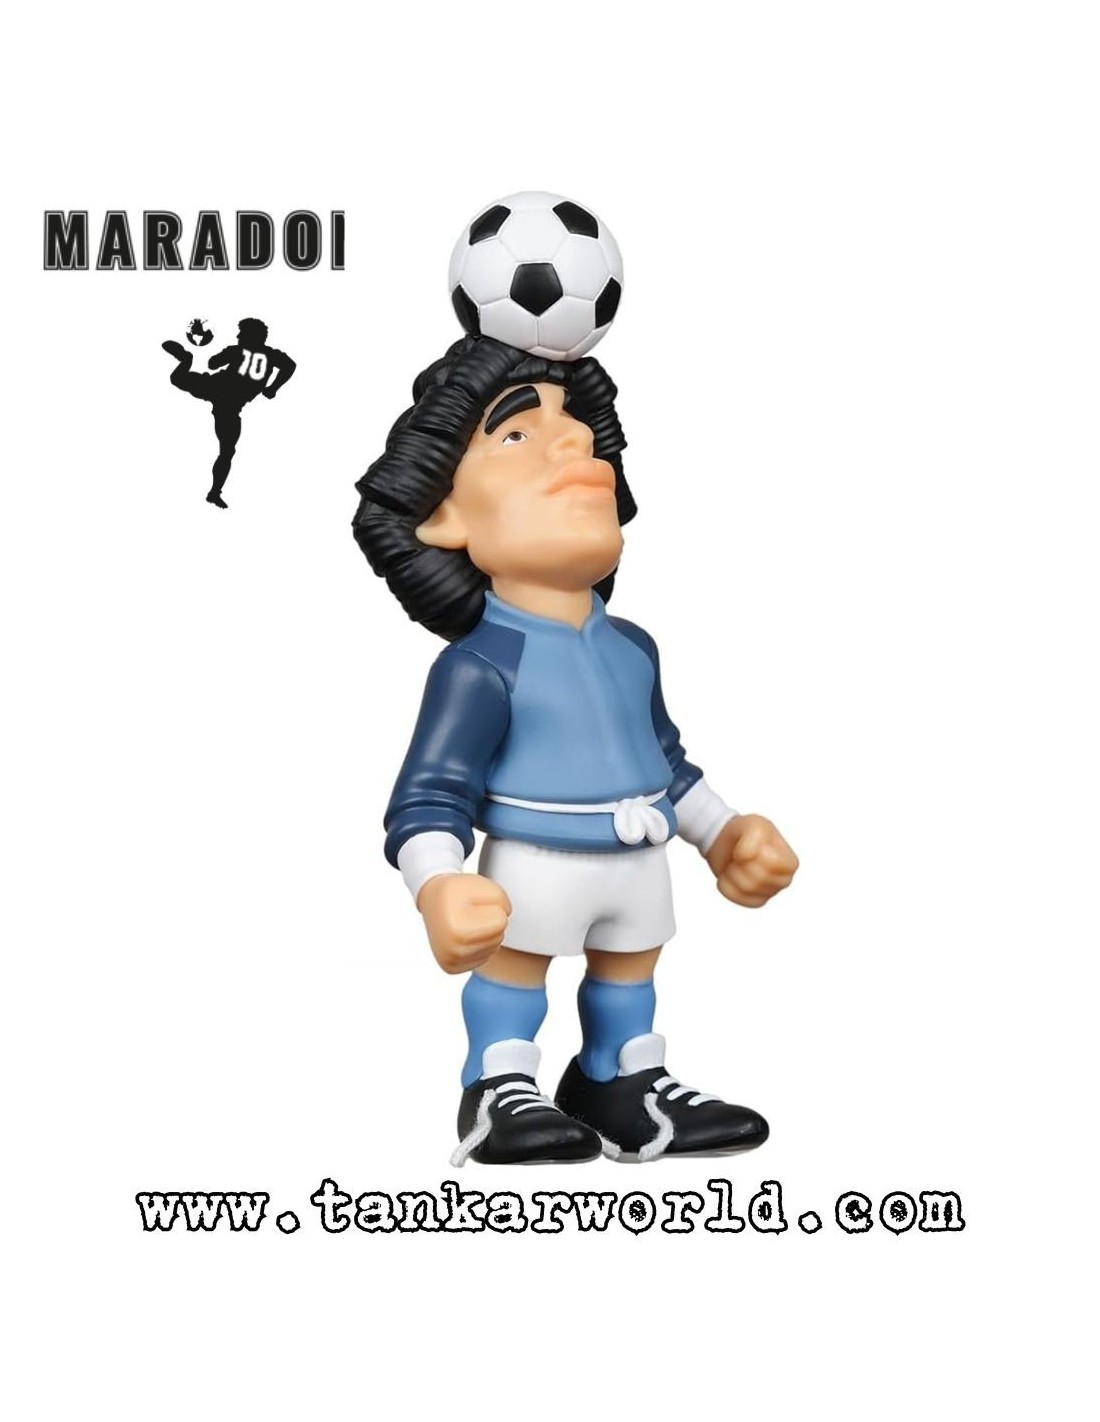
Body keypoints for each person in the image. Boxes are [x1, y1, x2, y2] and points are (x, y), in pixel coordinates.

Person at [353, 335, 798, 1165]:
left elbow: (666, 762)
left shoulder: (633, 648)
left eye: (582, 431)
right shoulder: (481, 665)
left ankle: (619, 1080)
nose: (575, 446)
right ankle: (497, 1086)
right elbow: (430, 795)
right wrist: (437, 882)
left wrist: (723, 833)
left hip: (638, 855)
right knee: (515, 971)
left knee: (631, 969)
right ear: (442, 516)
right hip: (536, 859)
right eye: (518, 434)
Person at [162, 318, 296, 508]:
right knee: (226, 452)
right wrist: (273, 388)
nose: (238, 336)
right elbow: (290, 365)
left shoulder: (237, 351)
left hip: (222, 397)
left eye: (241, 333)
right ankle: (214, 492)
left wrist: (227, 355)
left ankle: (214, 493)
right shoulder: (271, 355)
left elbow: (212, 363)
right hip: (222, 395)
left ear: (251, 336)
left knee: (227, 451)